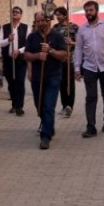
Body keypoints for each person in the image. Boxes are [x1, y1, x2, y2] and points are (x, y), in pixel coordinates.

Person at [73, 0, 104, 138]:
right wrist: (77, 67)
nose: (88, 13)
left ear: (96, 11)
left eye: (91, 10)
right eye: (86, 11)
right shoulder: (82, 29)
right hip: (89, 68)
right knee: (91, 97)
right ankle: (91, 127)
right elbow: (79, 49)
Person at [24, 11, 68, 150]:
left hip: (53, 76)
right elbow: (26, 55)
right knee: (40, 106)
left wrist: (51, 51)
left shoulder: (57, 36)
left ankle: (45, 136)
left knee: (48, 106)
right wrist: (38, 56)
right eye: (38, 21)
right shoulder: (32, 37)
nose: (41, 23)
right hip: (38, 77)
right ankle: (49, 126)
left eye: (43, 20)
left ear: (49, 20)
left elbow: (64, 56)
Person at [0, 7, 29, 116]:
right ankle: (14, 103)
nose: (15, 14)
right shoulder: (5, 28)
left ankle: (19, 106)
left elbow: (28, 44)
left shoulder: (26, 28)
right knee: (11, 82)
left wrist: (19, 51)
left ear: (21, 15)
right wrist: (8, 40)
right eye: (13, 12)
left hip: (20, 60)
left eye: (17, 12)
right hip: (8, 60)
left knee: (20, 82)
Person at [52, 7, 78, 117]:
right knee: (61, 84)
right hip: (58, 59)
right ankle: (64, 105)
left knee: (70, 84)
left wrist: (71, 42)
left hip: (70, 59)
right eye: (56, 15)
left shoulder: (74, 27)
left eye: (59, 15)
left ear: (65, 15)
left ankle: (69, 106)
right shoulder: (55, 28)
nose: (57, 17)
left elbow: (81, 43)